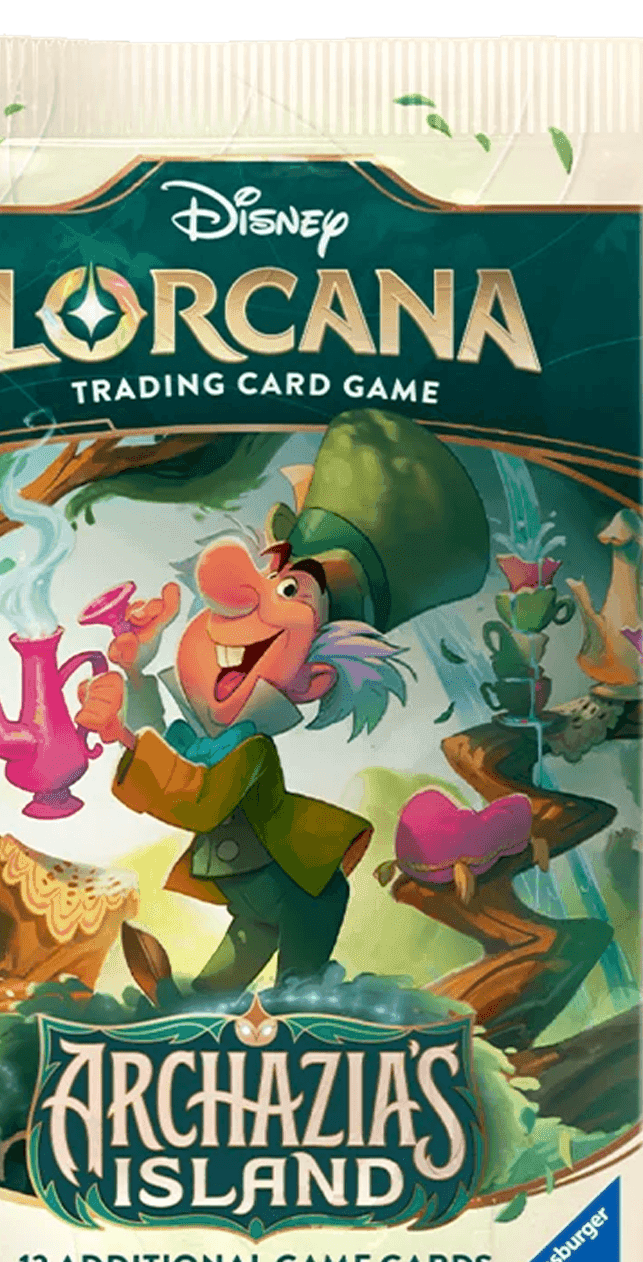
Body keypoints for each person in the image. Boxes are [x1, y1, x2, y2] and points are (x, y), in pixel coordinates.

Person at [74, 408, 490, 996]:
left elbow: (194, 791)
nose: (238, 610)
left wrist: (125, 731)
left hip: (256, 863)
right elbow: (179, 763)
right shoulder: (233, 743)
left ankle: (218, 997)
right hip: (254, 864)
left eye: (289, 592)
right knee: (298, 910)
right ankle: (290, 993)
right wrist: (135, 677)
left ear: (312, 681)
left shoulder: (250, 748)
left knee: (270, 924)